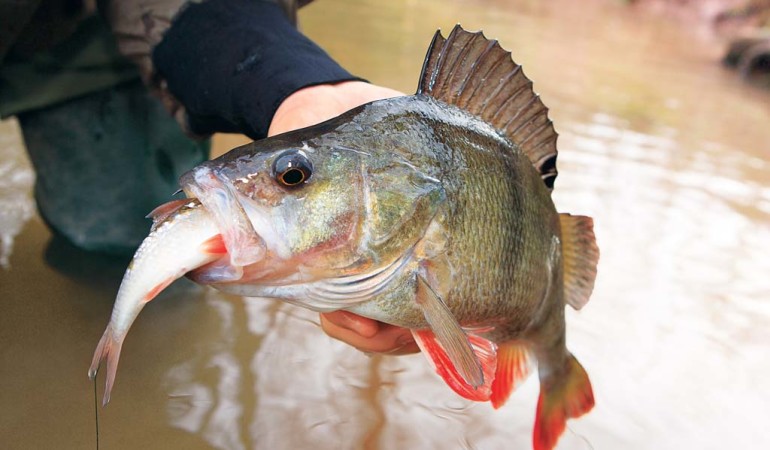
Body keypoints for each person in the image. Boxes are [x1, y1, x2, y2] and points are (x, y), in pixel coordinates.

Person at [0, 0, 416, 354]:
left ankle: (156, 347)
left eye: (291, 176)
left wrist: (295, 85)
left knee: (119, 229)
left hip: (68, 36)